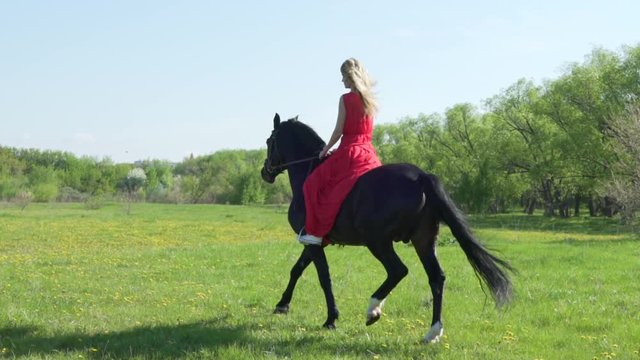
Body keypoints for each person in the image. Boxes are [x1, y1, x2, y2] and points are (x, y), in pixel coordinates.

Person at [299, 58, 382, 245]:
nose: (341, 81)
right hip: (369, 155)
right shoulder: (370, 99)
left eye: (343, 76)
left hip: (350, 153)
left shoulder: (345, 99)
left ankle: (315, 233)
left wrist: (325, 150)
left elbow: (339, 130)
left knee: (311, 184)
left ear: (349, 77)